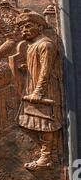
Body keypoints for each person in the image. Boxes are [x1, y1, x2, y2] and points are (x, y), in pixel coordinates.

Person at [16, 10, 62, 171]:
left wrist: (39, 92)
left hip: (44, 90)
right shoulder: (32, 45)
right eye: (21, 29)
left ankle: (46, 157)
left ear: (40, 27)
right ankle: (51, 154)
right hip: (33, 87)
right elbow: (36, 66)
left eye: (28, 26)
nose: (24, 31)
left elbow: (45, 70)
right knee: (36, 122)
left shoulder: (45, 45)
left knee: (44, 122)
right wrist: (25, 68)